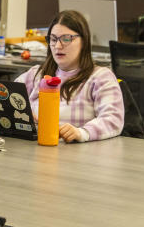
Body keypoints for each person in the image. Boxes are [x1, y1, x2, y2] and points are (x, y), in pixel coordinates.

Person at [15, 10, 124, 142]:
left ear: (83, 41)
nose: (58, 46)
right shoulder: (36, 74)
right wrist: (22, 115)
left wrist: (82, 133)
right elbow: (8, 97)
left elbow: (113, 120)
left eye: (66, 39)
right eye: (53, 39)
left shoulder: (101, 77)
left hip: (78, 155)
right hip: (35, 150)